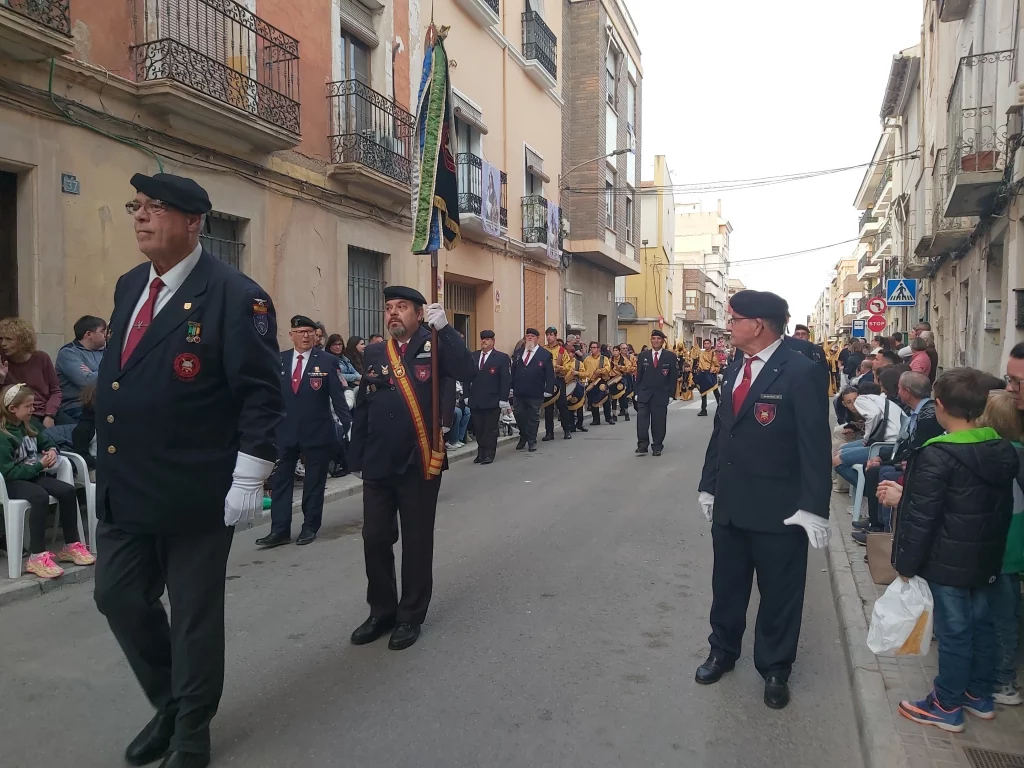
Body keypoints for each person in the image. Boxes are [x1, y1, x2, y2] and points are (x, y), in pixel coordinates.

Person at [93, 173, 283, 768]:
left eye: (156, 208)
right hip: (129, 484)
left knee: (195, 616)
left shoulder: (235, 295)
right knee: (117, 597)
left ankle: (192, 730)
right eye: (137, 206)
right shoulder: (130, 286)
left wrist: (250, 476)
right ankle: (171, 702)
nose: (141, 217)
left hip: (197, 490)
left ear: (194, 222)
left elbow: (261, 395)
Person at [696, 289, 830, 710]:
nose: (727, 326)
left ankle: (775, 668)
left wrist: (814, 507)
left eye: (733, 319)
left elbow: (814, 444)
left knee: (780, 593)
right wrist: (708, 484)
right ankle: (723, 650)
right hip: (732, 505)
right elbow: (724, 432)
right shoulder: (736, 366)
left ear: (758, 325)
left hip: (780, 509)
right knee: (727, 586)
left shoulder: (800, 371)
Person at [348, 286, 474, 651]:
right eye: (388, 307)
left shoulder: (436, 344)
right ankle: (381, 610)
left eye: (401, 307)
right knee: (374, 538)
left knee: (416, 542)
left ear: (419, 313)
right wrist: (355, 456)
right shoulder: (374, 351)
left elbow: (467, 370)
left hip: (419, 459)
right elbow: (363, 404)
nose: (393, 313)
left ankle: (410, 615)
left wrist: (447, 330)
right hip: (378, 460)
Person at [895, 368, 1019, 733]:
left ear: (941, 406)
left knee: (954, 632)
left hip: (947, 561)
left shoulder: (937, 454)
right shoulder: (1000, 447)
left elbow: (921, 517)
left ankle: (946, 703)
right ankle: (978, 695)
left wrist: (905, 563)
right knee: (981, 625)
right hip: (987, 557)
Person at [256, 315, 351, 549]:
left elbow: (337, 398)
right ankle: (279, 530)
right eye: (300, 332)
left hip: (317, 432)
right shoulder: (279, 360)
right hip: (285, 433)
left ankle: (309, 526)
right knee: (281, 482)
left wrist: (350, 428)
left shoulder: (327, 361)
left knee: (314, 482)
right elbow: (270, 398)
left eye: (310, 332)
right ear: (292, 335)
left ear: (315, 335)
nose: (306, 336)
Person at [0, 383, 94, 578]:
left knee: (67, 490)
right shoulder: (4, 435)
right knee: (39, 496)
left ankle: (71, 545)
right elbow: (8, 472)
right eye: (28, 407)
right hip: (12, 483)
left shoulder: (29, 426)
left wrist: (52, 450)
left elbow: (47, 441)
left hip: (33, 475)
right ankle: (36, 556)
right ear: (12, 409)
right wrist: (39, 466)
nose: (33, 410)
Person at [975, 389, 1024, 706]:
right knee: (1006, 613)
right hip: (1014, 545)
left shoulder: (997, 454)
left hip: (1000, 546)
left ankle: (1004, 682)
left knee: (1001, 616)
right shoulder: (1018, 451)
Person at [852, 372, 942, 541]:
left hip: (916, 466)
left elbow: (916, 447)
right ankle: (876, 524)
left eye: (900, 388)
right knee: (873, 468)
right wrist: (882, 457)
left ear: (907, 391)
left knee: (884, 476)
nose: (898, 392)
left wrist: (890, 461)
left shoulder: (928, 415)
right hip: (907, 460)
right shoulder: (917, 411)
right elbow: (903, 444)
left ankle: (884, 532)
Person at [832, 382, 902, 489]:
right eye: (849, 402)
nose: (854, 404)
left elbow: (873, 416)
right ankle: (863, 486)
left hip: (885, 443)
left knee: (837, 461)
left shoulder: (863, 401)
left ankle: (869, 490)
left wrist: (867, 437)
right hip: (886, 440)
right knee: (840, 449)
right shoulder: (880, 400)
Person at [0, 317, 62, 428]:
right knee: (49, 438)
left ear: (23, 341)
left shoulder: (41, 358)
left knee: (78, 430)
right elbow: (4, 401)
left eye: (9, 339)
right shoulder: (2, 362)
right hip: (22, 413)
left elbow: (56, 391)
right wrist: (1, 380)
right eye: (1, 339)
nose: (3, 343)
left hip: (47, 409)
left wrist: (49, 415)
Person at [466, 330, 511, 464]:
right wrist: (467, 395)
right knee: (479, 428)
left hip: (492, 399)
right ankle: (481, 452)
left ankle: (489, 454)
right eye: (482, 339)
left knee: (490, 429)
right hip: (476, 399)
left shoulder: (501, 358)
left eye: (487, 339)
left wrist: (504, 399)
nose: (484, 342)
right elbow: (467, 377)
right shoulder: (473, 356)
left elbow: (505, 380)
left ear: (493, 341)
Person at [55, 315, 107, 423]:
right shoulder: (68, 353)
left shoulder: (106, 351)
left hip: (103, 403)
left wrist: (94, 373)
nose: (106, 335)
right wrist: (108, 372)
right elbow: (87, 382)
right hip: (76, 407)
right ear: (89, 334)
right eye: (102, 331)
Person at [634, 330, 678, 456]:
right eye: (654, 338)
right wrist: (636, 392)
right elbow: (639, 375)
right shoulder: (643, 356)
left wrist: (671, 394)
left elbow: (673, 377)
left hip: (661, 394)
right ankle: (642, 445)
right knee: (642, 422)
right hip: (644, 393)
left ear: (663, 341)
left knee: (658, 423)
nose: (656, 341)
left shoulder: (670, 356)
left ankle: (657, 446)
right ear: (651, 340)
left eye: (658, 338)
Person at [510, 328, 555, 452]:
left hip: (535, 391)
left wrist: (549, 389)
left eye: (532, 336)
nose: (530, 338)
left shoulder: (544, 354)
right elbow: (513, 371)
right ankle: (523, 435)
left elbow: (549, 374)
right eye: (528, 336)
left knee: (533, 417)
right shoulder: (519, 353)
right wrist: (511, 387)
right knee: (519, 415)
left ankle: (532, 440)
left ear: (537, 338)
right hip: (519, 391)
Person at [542, 327, 574, 441]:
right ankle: (549, 432)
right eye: (547, 335)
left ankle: (567, 430)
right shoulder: (543, 349)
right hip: (547, 381)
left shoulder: (562, 350)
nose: (549, 337)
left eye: (551, 335)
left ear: (555, 336)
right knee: (548, 407)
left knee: (562, 406)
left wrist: (559, 368)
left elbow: (568, 367)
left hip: (558, 379)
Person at [583, 341, 613, 425]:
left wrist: (599, 371)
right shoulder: (587, 359)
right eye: (591, 347)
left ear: (598, 349)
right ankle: (596, 419)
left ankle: (608, 418)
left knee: (605, 399)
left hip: (601, 381)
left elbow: (607, 368)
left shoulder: (604, 359)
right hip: (591, 382)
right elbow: (584, 370)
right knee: (593, 401)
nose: (592, 349)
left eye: (594, 347)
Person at [693, 339, 721, 417]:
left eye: (708, 343)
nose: (706, 345)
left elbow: (717, 366)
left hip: (710, 374)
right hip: (702, 374)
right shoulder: (701, 353)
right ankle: (703, 410)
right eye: (705, 343)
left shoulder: (713, 354)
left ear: (710, 344)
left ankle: (721, 408)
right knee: (703, 393)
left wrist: (714, 370)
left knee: (716, 392)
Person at [611, 344, 637, 422]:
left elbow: (631, 368)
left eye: (626, 348)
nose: (625, 350)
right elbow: (607, 368)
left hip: (625, 378)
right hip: (613, 379)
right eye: (623, 348)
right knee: (614, 397)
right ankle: (614, 415)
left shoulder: (629, 358)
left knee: (625, 396)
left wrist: (621, 367)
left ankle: (627, 413)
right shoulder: (610, 359)